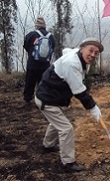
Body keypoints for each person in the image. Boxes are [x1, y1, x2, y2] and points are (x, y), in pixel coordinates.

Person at [34, 37, 104, 172]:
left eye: (96, 53)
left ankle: (47, 146)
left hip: (52, 97)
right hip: (46, 99)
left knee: (57, 121)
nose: (93, 55)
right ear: (82, 48)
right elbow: (79, 91)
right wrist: (93, 108)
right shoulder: (72, 63)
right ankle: (67, 163)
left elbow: (80, 83)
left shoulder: (81, 59)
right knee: (66, 129)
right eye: (91, 50)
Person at [23, 17, 55, 106]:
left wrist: (32, 53)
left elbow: (25, 45)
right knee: (43, 83)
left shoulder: (31, 35)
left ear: (36, 26)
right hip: (45, 65)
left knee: (30, 82)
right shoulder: (50, 36)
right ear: (45, 26)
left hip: (32, 64)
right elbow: (53, 48)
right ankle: (42, 100)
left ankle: (28, 100)